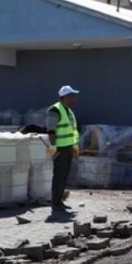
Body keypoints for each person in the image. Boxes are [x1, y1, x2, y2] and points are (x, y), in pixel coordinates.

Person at [47, 86, 81, 215]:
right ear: (65, 97)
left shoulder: (68, 110)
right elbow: (51, 130)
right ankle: (55, 204)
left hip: (68, 148)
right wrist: (54, 148)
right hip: (60, 149)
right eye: (72, 96)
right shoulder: (55, 109)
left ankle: (59, 201)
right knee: (59, 176)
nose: (74, 99)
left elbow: (71, 130)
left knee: (64, 176)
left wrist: (74, 146)